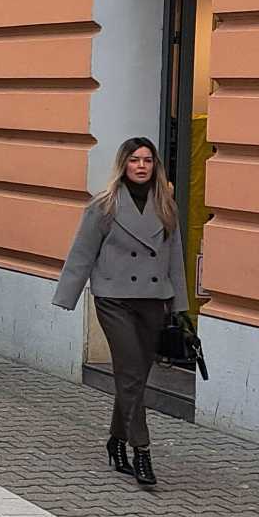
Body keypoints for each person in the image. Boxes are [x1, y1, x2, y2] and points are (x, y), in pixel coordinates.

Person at [53, 137, 186, 489]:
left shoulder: (166, 206)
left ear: (155, 166)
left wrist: (181, 306)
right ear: (123, 164)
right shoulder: (105, 205)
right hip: (114, 298)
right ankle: (141, 449)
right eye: (134, 160)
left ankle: (115, 439)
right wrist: (67, 295)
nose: (141, 166)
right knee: (129, 374)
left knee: (136, 378)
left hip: (153, 299)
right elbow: (82, 251)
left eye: (147, 160)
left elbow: (175, 258)